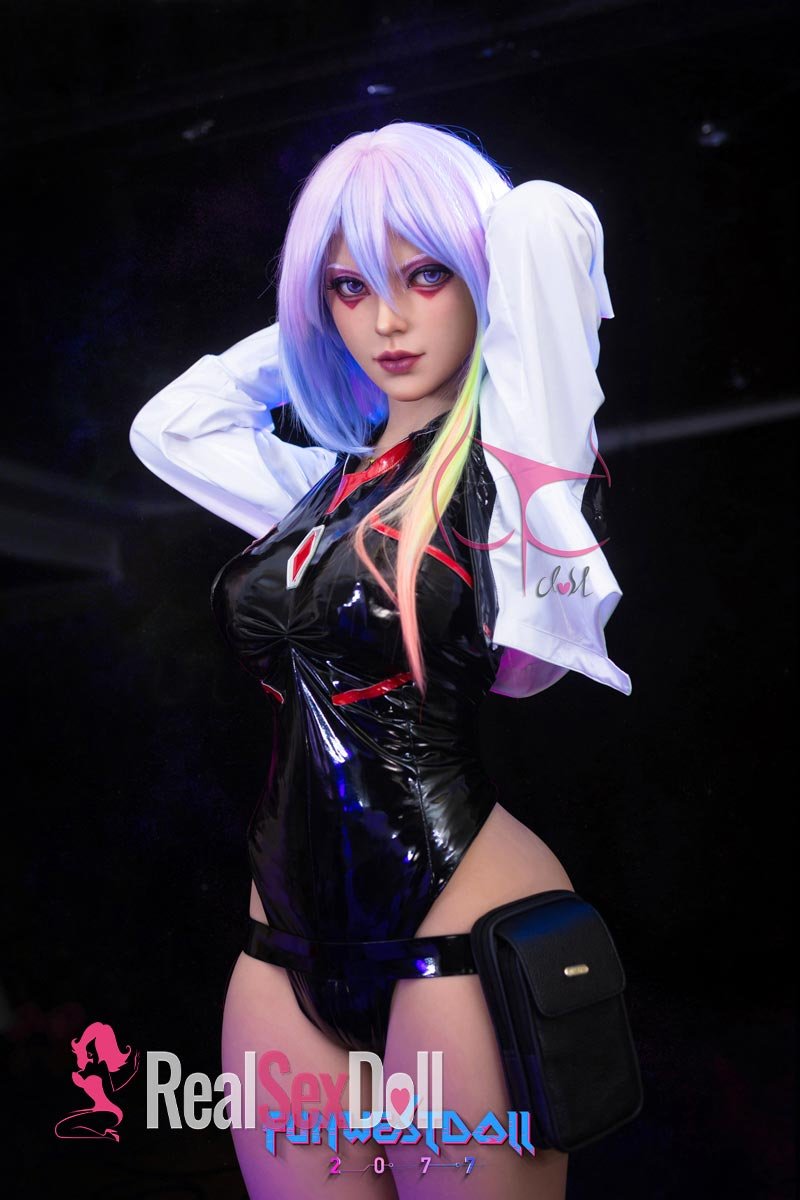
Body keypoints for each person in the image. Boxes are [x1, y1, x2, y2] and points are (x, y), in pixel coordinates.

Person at [129, 121, 630, 1200]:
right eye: (350, 288)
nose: (388, 320)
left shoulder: (510, 472)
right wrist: (311, 327)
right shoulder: (316, 494)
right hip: (282, 949)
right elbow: (171, 427)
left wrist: (436, 229)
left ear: (483, 278)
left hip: (458, 923)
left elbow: (543, 220)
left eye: (424, 275)